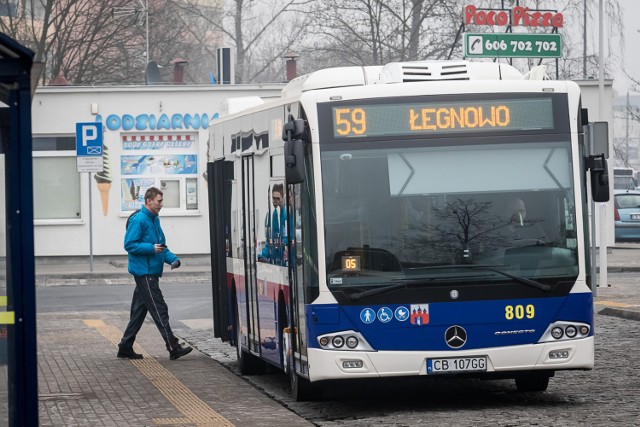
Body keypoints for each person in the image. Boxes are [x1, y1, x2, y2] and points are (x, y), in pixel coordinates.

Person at [117, 187, 193, 361]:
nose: (161, 204)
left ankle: (125, 347)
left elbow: (161, 246)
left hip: (150, 272)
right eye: (159, 201)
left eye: (161, 201)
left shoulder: (154, 219)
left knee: (138, 313)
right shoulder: (140, 220)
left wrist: (173, 259)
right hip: (145, 273)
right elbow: (129, 245)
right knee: (159, 309)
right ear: (148, 201)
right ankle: (173, 346)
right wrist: (150, 248)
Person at [259, 183, 288, 265]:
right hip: (274, 264)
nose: (275, 201)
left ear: (283, 198)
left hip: (284, 264)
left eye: (277, 198)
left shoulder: (286, 215)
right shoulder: (271, 215)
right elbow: (269, 243)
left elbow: (287, 240)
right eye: (273, 198)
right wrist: (262, 255)